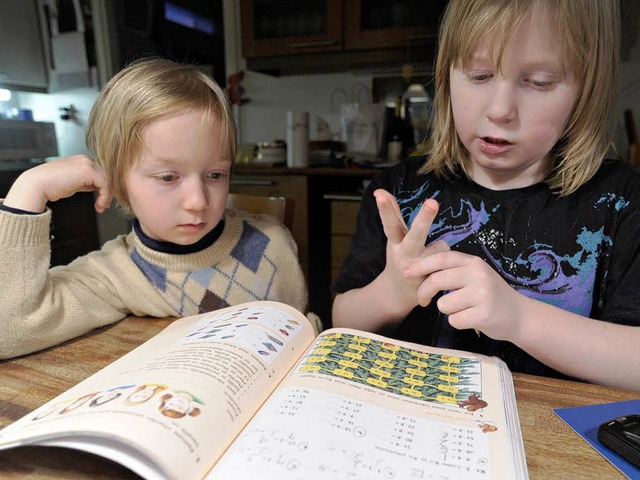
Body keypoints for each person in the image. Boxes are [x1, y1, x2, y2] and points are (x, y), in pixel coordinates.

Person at [332, 0, 640, 391]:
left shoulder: (623, 202)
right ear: (446, 76)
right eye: (479, 75)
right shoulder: (398, 191)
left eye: (539, 82)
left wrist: (520, 319)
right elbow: (341, 322)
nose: (500, 110)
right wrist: (391, 291)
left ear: (586, 89)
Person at [0, 58, 308, 359]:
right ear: (118, 182)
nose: (198, 201)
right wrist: (28, 190)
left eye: (215, 175)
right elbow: (9, 332)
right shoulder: (117, 274)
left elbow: (305, 332)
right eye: (168, 177)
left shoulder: (273, 245)